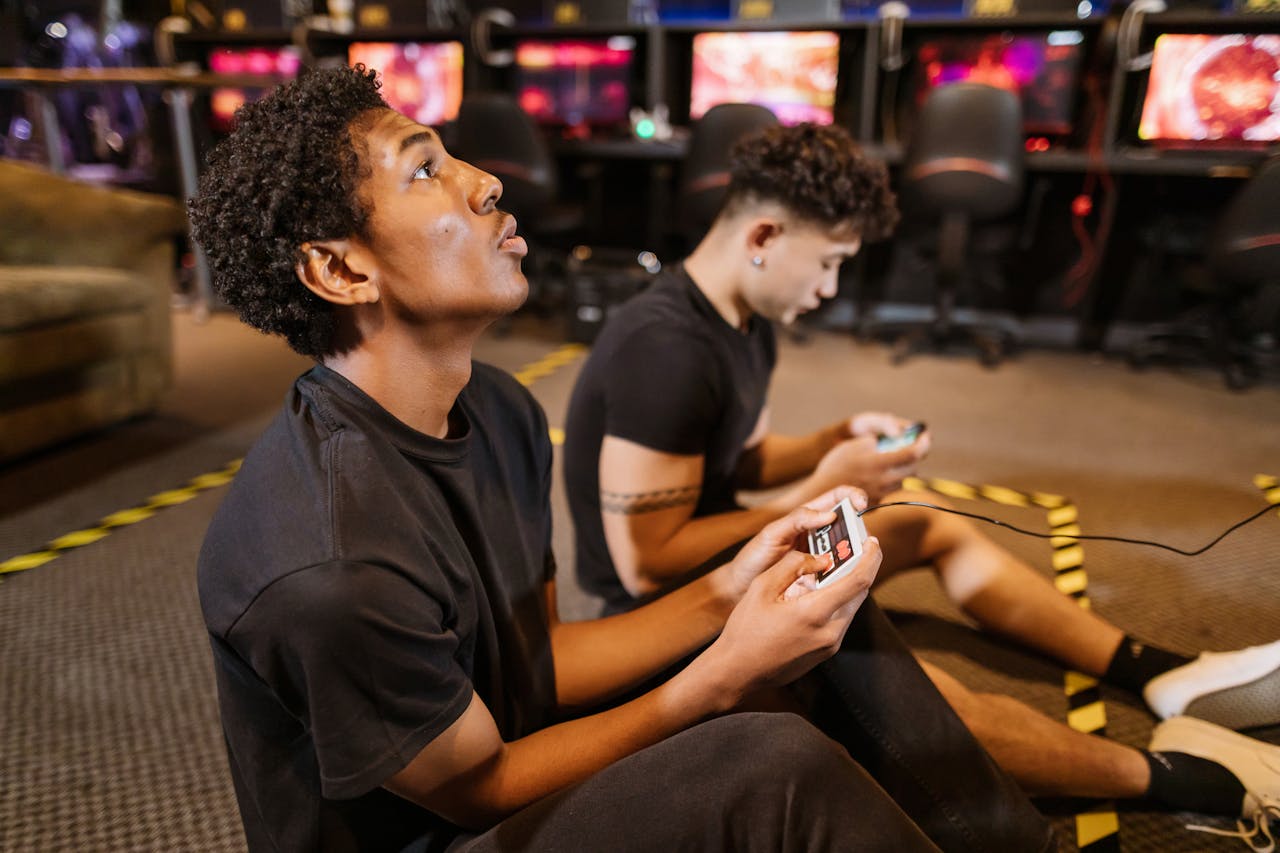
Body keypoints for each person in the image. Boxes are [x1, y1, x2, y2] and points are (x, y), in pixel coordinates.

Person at [190, 65, 1067, 852]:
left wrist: (733, 588)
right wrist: (721, 677)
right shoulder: (329, 563)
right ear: (340, 272)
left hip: (504, 756)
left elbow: (543, 660)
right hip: (448, 832)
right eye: (426, 169)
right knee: (767, 761)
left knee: (818, 621)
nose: (487, 181)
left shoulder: (500, 408)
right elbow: (475, 789)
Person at [562, 121, 1280, 830]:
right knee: (909, 697)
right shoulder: (664, 351)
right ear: (764, 239)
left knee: (924, 514)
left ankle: (1152, 667)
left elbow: (735, 460)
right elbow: (645, 564)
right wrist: (819, 488)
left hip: (730, 552)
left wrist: (830, 442)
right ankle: (1177, 776)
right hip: (659, 610)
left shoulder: (743, 317)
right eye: (830, 261)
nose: (830, 288)